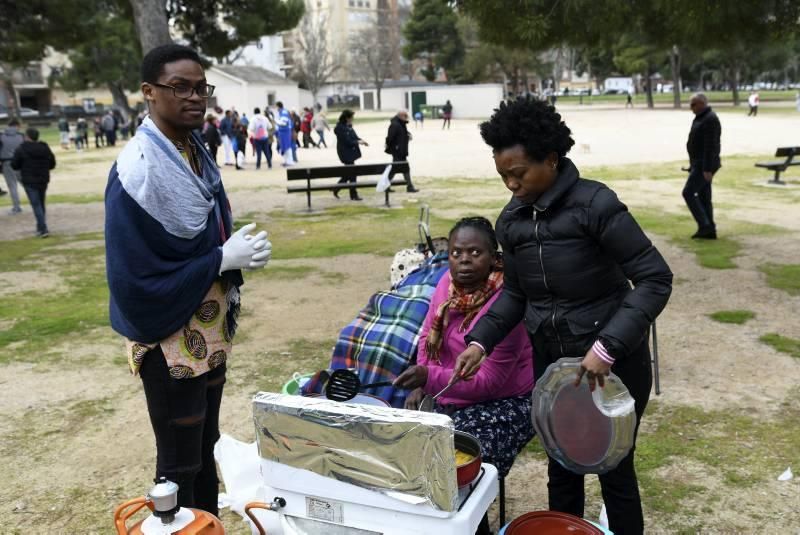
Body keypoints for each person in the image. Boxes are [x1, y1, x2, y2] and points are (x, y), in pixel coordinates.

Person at [451, 97, 673, 535]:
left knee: (615, 470)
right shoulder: (512, 220)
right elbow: (515, 293)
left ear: (551, 159)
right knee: (562, 465)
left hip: (613, 365)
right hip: (553, 364)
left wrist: (607, 347)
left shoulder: (595, 204)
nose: (511, 185)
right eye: (503, 176)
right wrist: (480, 341)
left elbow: (654, 278)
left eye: (519, 173)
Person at [105, 44, 271, 518]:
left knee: (206, 444)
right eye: (180, 87)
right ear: (149, 93)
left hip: (208, 328)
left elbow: (201, 235)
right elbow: (133, 276)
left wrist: (234, 251)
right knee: (178, 459)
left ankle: (206, 524)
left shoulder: (193, 152)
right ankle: (178, 525)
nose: (195, 97)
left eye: (201, 87)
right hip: (169, 337)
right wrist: (219, 257)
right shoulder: (138, 170)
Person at [394, 216, 535, 535]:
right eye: (457, 253)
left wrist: (427, 378)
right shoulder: (446, 283)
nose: (464, 261)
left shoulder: (506, 302)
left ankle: (473, 527)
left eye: (475, 253)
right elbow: (429, 333)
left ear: (495, 258)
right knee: (411, 449)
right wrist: (423, 383)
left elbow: (488, 382)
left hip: (507, 401)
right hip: (449, 388)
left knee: (462, 463)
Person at [683, 93, 721, 240]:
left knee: (688, 192)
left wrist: (707, 168)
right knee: (704, 196)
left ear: (702, 103)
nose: (691, 108)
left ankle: (705, 225)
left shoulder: (710, 119)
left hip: (704, 165)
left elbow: (711, 146)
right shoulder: (701, 118)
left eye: (693, 104)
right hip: (698, 164)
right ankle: (709, 229)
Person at [11, 127, 55, 237]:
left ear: (27, 137)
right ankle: (40, 226)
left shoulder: (21, 149)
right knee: (41, 203)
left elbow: (14, 165)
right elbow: (52, 162)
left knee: (36, 204)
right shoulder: (44, 147)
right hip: (43, 179)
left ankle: (43, 229)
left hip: (29, 180)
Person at [333, 109, 368, 201]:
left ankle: (336, 188)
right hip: (345, 153)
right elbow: (347, 141)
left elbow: (354, 137)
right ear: (347, 118)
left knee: (349, 173)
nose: (353, 119)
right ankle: (353, 194)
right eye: (351, 117)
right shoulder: (340, 128)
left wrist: (361, 141)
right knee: (352, 174)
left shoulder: (348, 126)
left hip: (350, 153)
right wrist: (358, 141)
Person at [384, 110, 419, 193]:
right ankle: (409, 186)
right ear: (401, 116)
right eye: (405, 116)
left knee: (401, 168)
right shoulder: (395, 125)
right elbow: (390, 137)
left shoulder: (400, 124)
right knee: (401, 168)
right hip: (398, 151)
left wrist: (408, 134)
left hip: (401, 150)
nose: (406, 118)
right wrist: (391, 146)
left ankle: (408, 186)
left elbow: (403, 133)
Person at [0, 119, 25, 213]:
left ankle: (17, 207)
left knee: (12, 186)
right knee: (26, 184)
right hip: (21, 163)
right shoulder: (21, 136)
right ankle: (36, 202)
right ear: (17, 125)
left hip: (7, 163)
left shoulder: (2, 136)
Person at [274, 101, 295, 166]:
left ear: (278, 106)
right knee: (283, 147)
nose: (275, 108)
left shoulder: (283, 112)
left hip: (285, 132)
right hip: (282, 132)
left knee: (287, 147)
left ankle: (290, 161)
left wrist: (276, 121)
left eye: (276, 106)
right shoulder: (281, 112)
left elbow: (283, 123)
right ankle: (286, 161)